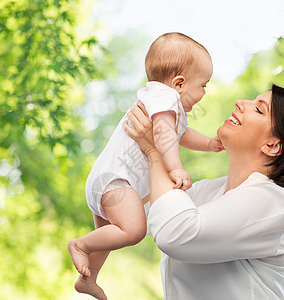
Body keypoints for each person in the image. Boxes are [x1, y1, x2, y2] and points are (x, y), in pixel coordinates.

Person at [123, 84, 284, 299]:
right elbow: (135, 214)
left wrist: (155, 149)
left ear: (272, 146)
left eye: (259, 109)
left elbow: (175, 233)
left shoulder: (277, 203)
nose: (240, 103)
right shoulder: (212, 190)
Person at [68, 32, 224, 300]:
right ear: (179, 83)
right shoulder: (165, 98)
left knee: (107, 236)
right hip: (116, 181)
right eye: (203, 85)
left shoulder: (163, 103)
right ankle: (79, 245)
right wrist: (174, 168)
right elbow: (164, 135)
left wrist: (209, 143)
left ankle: (88, 279)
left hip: (107, 180)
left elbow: (179, 134)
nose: (204, 93)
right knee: (134, 230)